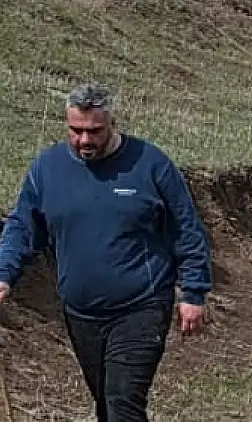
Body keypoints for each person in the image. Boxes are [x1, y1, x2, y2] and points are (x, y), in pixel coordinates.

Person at [0, 82, 213, 422]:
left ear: (113, 123)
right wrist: (4, 274)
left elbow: (186, 229)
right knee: (106, 404)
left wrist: (194, 292)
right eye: (76, 131)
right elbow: (23, 227)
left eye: (94, 131)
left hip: (141, 306)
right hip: (80, 312)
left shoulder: (151, 164)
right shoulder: (47, 168)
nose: (84, 140)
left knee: (122, 404)